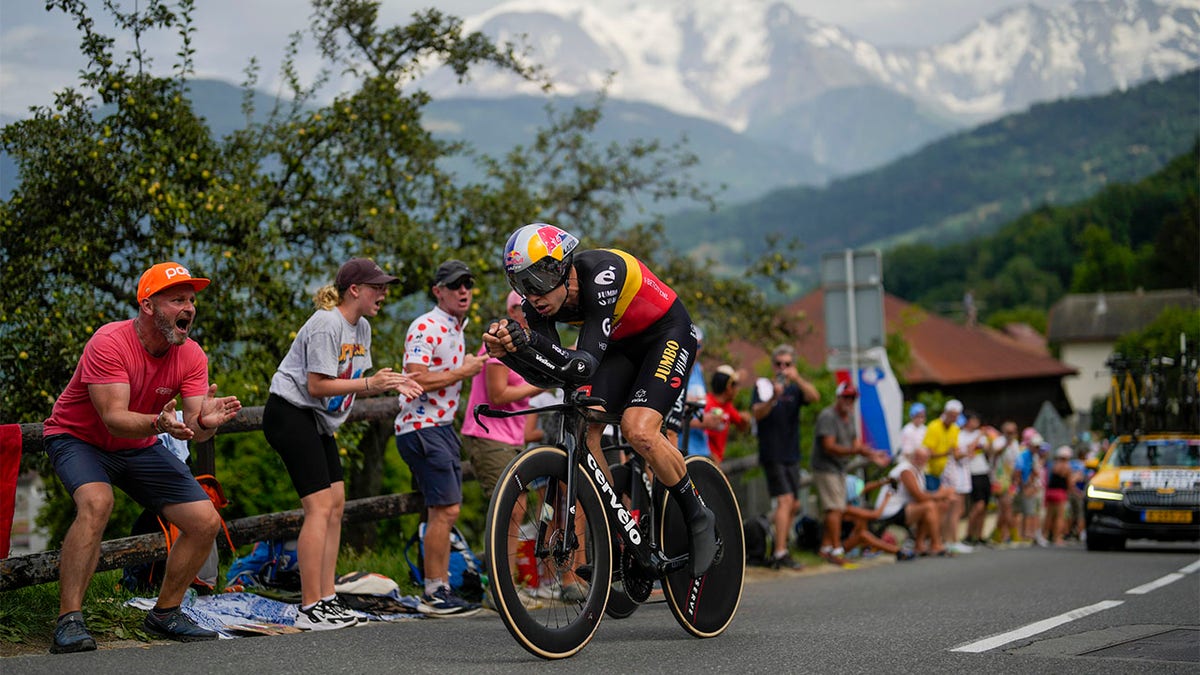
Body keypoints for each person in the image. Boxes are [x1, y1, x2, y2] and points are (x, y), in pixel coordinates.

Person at [484, 223, 718, 578]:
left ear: (560, 267)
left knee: (638, 430)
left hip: (666, 334)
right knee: (586, 426)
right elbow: (554, 374)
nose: (531, 296)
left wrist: (528, 342)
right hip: (619, 347)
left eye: (535, 282)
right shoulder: (540, 305)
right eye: (520, 285)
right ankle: (620, 541)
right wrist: (512, 352)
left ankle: (698, 514)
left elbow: (583, 363)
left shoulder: (602, 274)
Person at [42, 262, 243, 652]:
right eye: (177, 299)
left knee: (204, 521)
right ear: (148, 306)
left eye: (191, 300)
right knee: (97, 503)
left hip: (139, 445)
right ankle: (69, 620)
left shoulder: (191, 355)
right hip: (78, 438)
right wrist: (161, 423)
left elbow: (195, 426)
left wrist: (209, 422)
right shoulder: (110, 342)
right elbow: (114, 419)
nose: (189, 307)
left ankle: (164, 614)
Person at [263, 258, 421, 630]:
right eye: (377, 287)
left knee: (336, 503)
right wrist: (372, 385)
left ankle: (327, 597)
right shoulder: (326, 323)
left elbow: (351, 378)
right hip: (289, 412)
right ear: (355, 290)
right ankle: (309, 606)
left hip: (315, 419)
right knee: (318, 507)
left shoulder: (361, 327)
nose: (383, 294)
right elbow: (318, 385)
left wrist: (393, 382)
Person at [395, 259, 487, 615]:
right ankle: (435, 590)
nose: (463, 290)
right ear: (438, 291)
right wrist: (462, 370)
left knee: (442, 509)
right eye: (454, 285)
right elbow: (414, 378)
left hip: (439, 426)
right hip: (423, 427)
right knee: (445, 509)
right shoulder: (426, 326)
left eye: (467, 284)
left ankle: (438, 585)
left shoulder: (455, 327)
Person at [461, 290, 544, 500]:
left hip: (512, 437)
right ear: (511, 311)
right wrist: (542, 385)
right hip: (489, 434)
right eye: (523, 306)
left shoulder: (527, 343)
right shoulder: (499, 340)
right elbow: (498, 395)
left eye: (534, 305)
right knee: (511, 506)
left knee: (519, 507)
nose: (529, 311)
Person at [750, 345, 820, 570]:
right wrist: (773, 398)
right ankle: (779, 552)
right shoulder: (763, 386)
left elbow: (815, 397)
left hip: (792, 453)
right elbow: (757, 413)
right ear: (773, 366)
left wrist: (797, 379)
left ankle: (781, 546)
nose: (782, 368)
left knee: (795, 503)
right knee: (785, 500)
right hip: (772, 452)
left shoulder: (795, 389)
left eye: (787, 364)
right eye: (779, 364)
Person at [810, 382, 887, 565]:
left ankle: (826, 548)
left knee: (837, 508)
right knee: (835, 508)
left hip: (839, 469)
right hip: (825, 468)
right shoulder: (828, 416)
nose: (849, 401)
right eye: (846, 397)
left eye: (852, 397)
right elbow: (828, 447)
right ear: (838, 397)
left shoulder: (849, 417)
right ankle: (837, 549)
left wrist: (873, 454)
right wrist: (857, 452)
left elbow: (856, 445)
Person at [876, 446, 954, 556]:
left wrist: (941, 496)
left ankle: (920, 544)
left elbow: (922, 495)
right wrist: (940, 494)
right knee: (929, 506)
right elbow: (919, 496)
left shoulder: (917, 470)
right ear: (913, 457)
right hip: (889, 510)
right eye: (919, 458)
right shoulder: (905, 470)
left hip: (901, 507)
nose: (922, 461)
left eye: (924, 458)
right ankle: (935, 543)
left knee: (938, 505)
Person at [704, 365, 750, 466]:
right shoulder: (706, 403)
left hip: (717, 462)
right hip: (705, 459)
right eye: (736, 385)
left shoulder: (728, 407)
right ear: (729, 387)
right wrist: (709, 454)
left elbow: (742, 427)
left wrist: (745, 420)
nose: (738, 390)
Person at [987, 421, 1021, 545]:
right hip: (998, 479)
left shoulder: (1016, 444)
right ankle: (1010, 534)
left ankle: (999, 535)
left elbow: (1016, 463)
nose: (1011, 435)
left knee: (1006, 508)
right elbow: (993, 454)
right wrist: (1006, 444)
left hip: (1011, 480)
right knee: (1005, 507)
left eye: (1013, 432)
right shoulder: (999, 441)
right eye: (1008, 432)